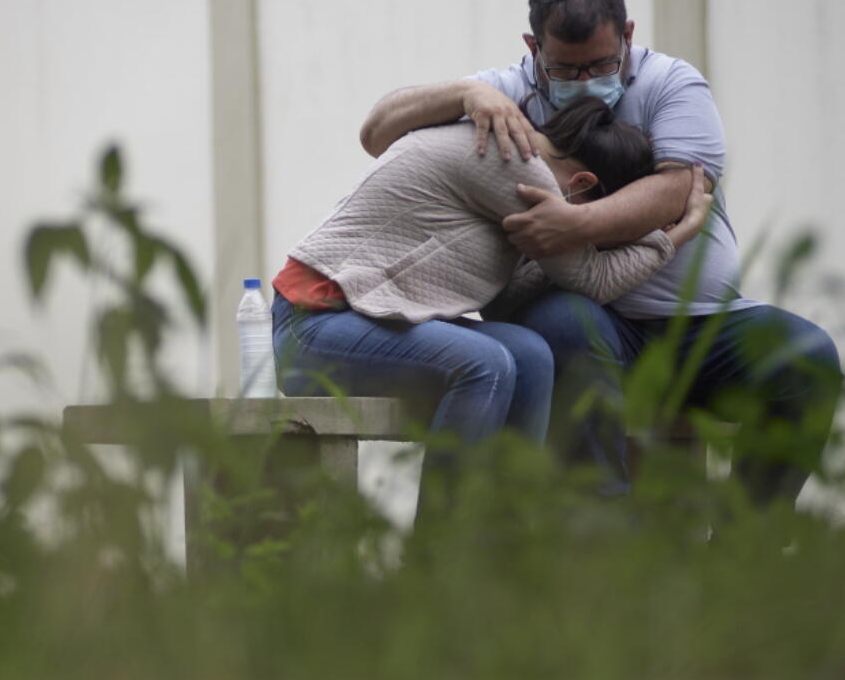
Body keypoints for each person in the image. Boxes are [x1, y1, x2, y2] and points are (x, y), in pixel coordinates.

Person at [358, 0, 842, 505]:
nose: (586, 79)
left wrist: (576, 224)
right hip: (589, 324)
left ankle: (743, 550)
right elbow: (377, 132)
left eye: (603, 63)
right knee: (564, 326)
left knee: (807, 359)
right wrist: (466, 92)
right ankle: (605, 534)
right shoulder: (508, 93)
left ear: (628, 35)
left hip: (701, 326)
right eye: (565, 67)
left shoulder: (671, 84)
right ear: (533, 46)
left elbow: (679, 187)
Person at [271, 97, 711, 487]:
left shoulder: (522, 181)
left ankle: (503, 548)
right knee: (486, 363)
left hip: (368, 324)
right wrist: (675, 236)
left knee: (530, 353)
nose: (589, 238)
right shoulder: (516, 163)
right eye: (602, 224)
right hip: (311, 326)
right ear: (583, 185)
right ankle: (440, 560)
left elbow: (509, 298)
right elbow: (592, 279)